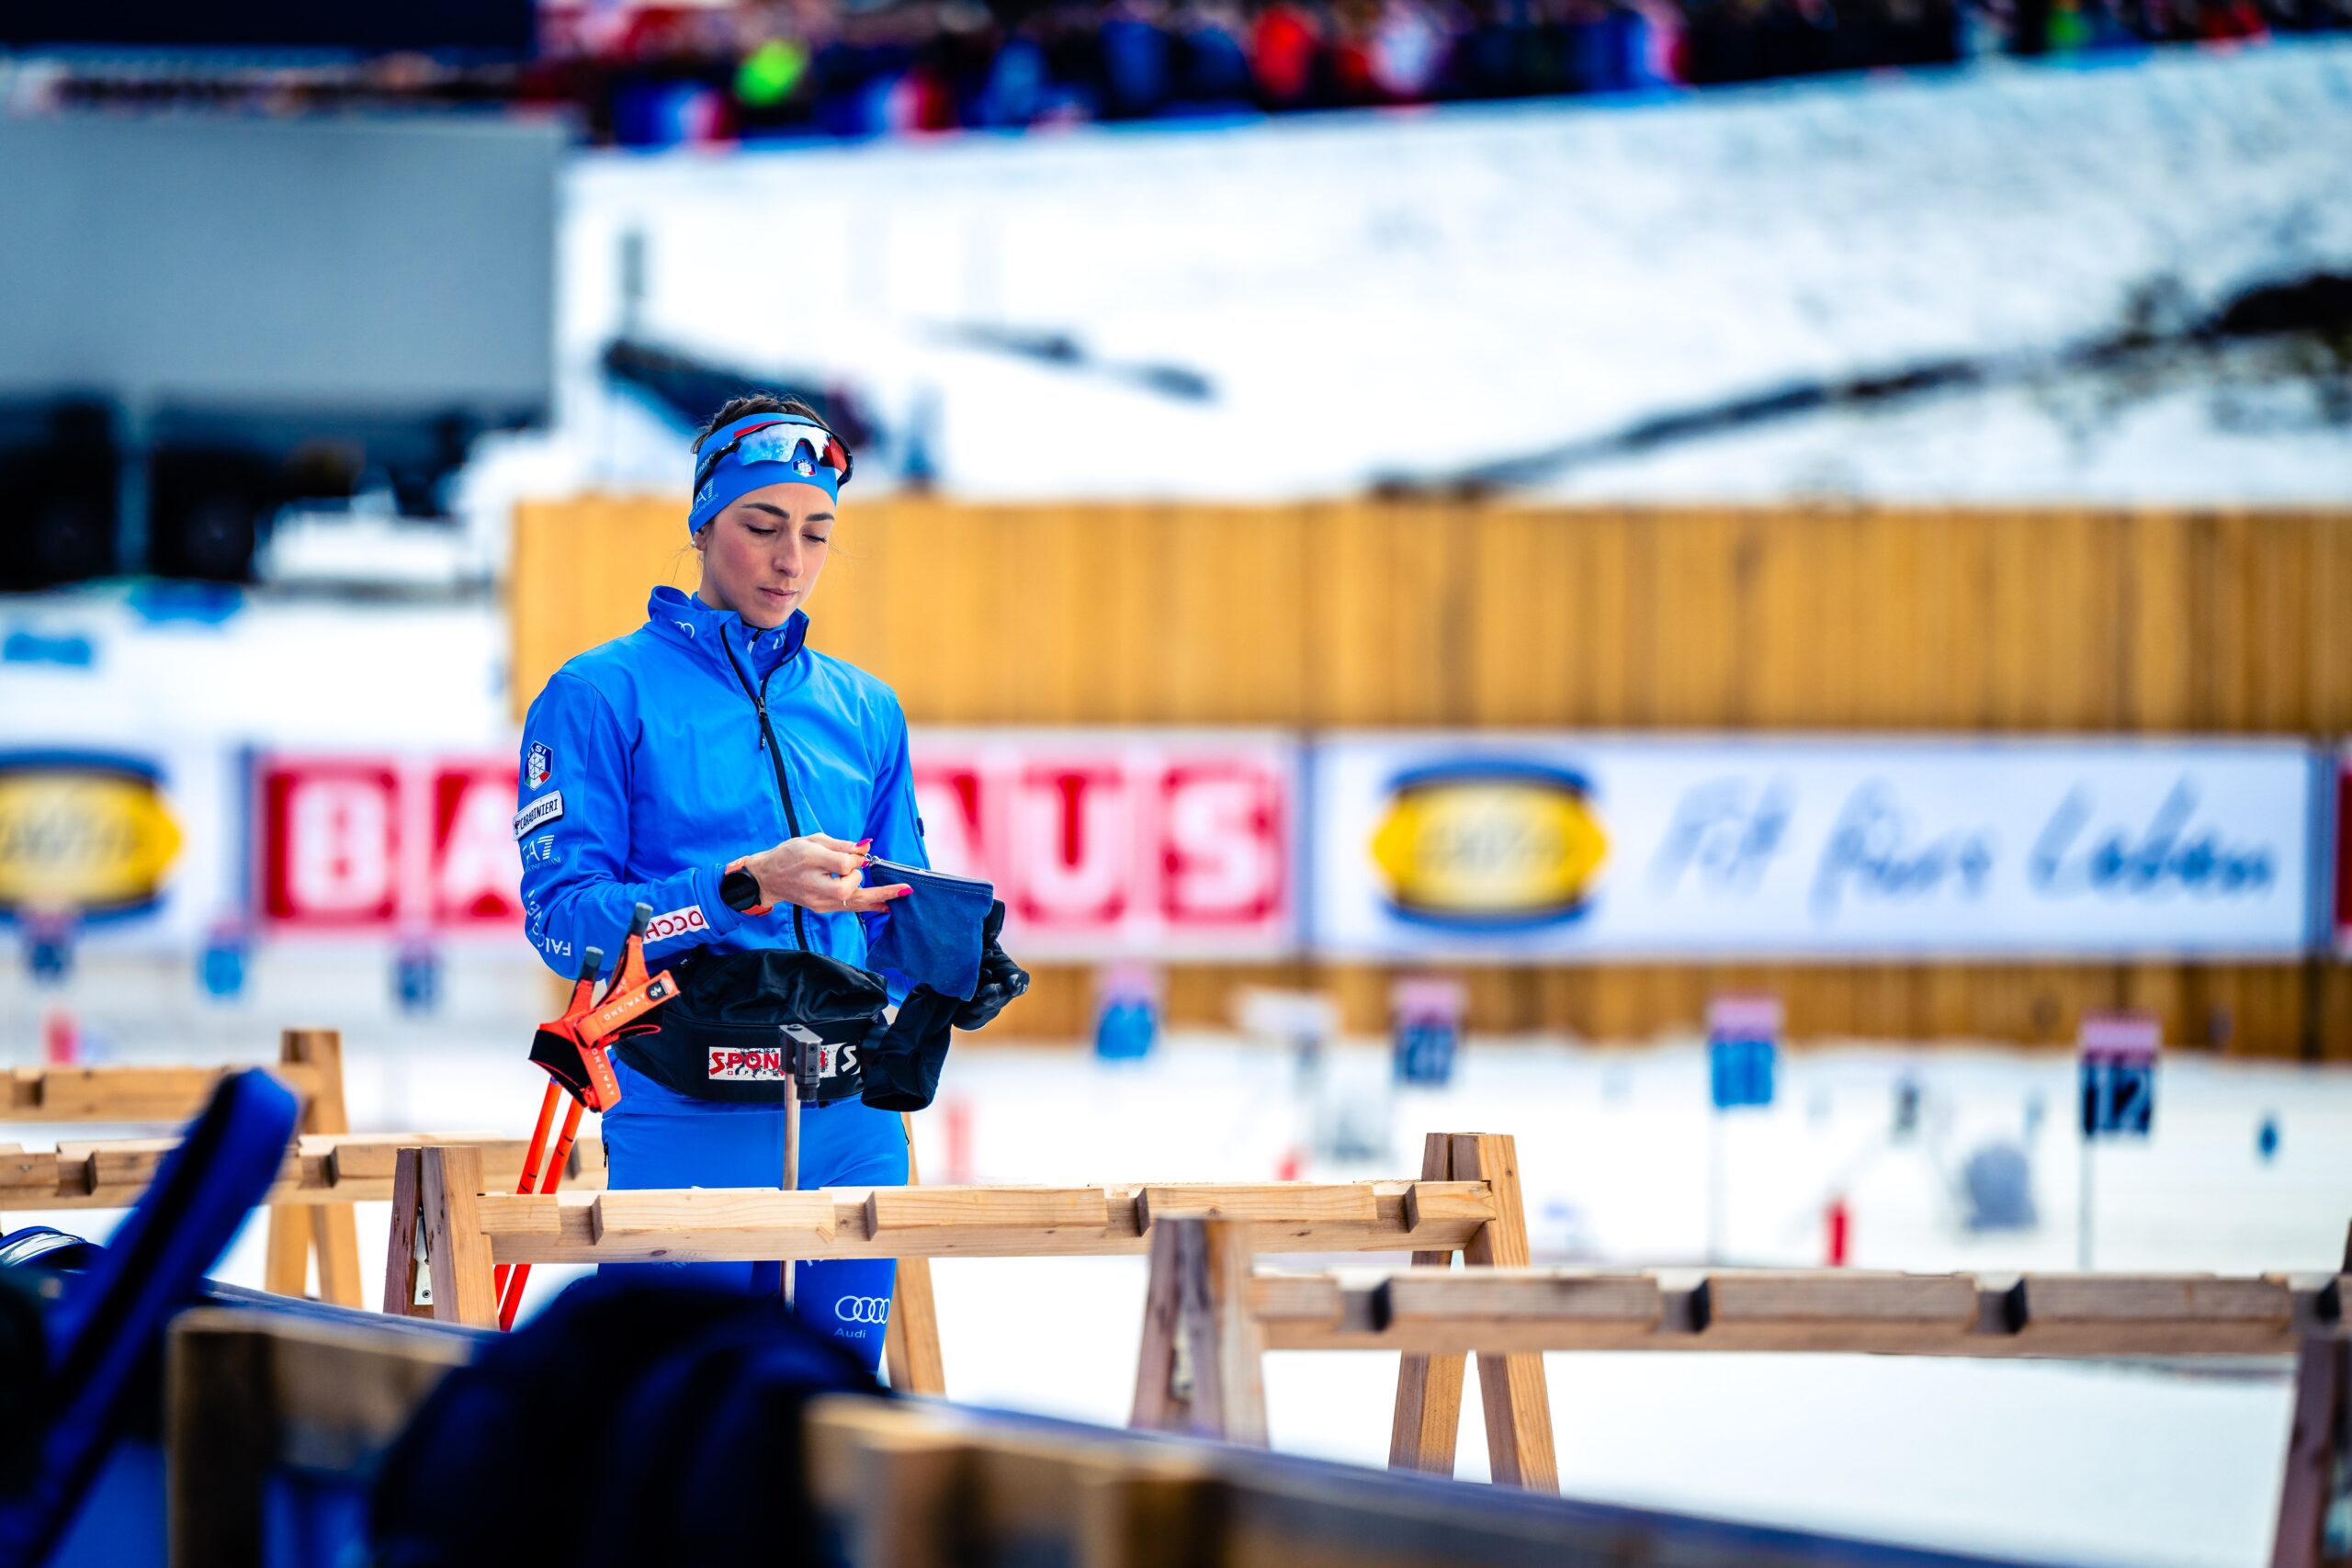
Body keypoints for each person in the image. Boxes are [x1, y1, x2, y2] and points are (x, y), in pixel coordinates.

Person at [514, 393, 1024, 1370]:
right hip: (681, 1107)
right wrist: (741, 885)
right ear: (704, 521)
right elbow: (565, 924)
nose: (792, 560)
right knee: (673, 1427)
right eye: (762, 525)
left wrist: (956, 962)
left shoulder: (864, 708)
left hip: (852, 1121)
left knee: (830, 1430)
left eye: (818, 533)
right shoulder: (598, 694)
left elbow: (883, 915)